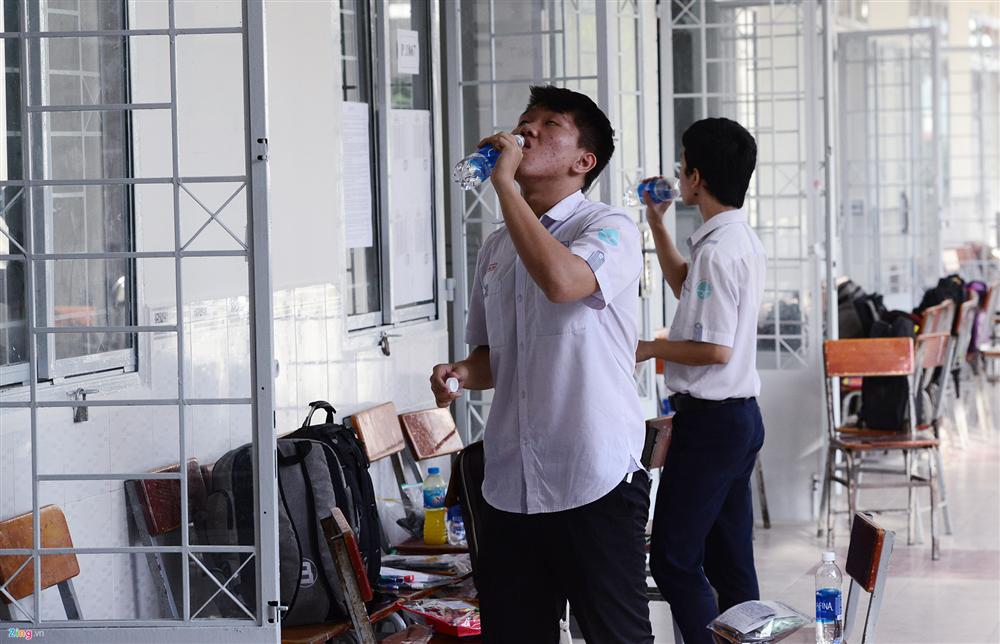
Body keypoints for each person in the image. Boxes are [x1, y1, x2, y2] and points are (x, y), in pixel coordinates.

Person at [429, 85, 653, 644]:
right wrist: (461, 372)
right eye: (525, 120)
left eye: (550, 124)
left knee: (617, 636)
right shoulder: (498, 247)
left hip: (593, 475)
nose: (526, 130)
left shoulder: (610, 228)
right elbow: (493, 358)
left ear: (584, 162)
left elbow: (563, 282)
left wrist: (504, 185)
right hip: (511, 480)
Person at [637, 117, 766, 644]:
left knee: (673, 559)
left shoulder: (717, 250)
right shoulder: (735, 238)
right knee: (730, 562)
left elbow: (714, 350)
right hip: (738, 420)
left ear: (695, 177)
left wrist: (648, 348)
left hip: (712, 425)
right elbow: (685, 285)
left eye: (682, 165)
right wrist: (657, 224)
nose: (677, 174)